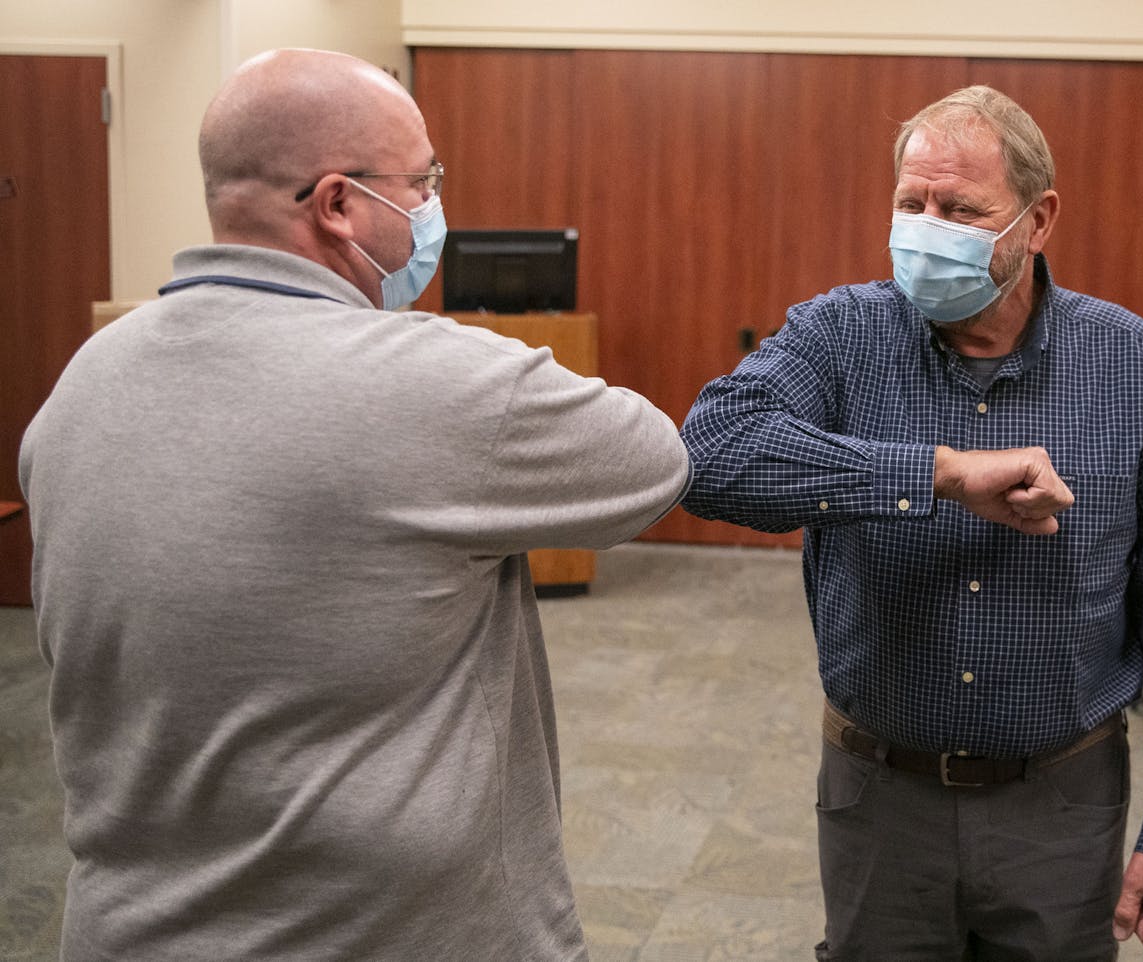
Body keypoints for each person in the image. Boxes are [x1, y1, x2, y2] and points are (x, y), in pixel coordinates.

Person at [19, 48, 690, 962]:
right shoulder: (440, 384)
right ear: (338, 204)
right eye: (424, 183)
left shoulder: (83, 381)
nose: (433, 209)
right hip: (386, 937)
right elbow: (654, 463)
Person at [679, 85, 1143, 961]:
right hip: (881, 795)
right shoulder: (840, 337)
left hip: (1059, 804)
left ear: (1037, 219)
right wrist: (934, 474)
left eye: (960, 209)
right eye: (911, 205)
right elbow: (710, 454)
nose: (926, 228)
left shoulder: (1134, 368)